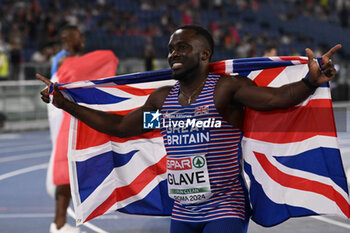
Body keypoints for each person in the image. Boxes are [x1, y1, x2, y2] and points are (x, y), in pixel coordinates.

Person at [37, 24, 340, 233]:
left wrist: (309, 82)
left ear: (205, 54)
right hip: (182, 211)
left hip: (226, 207)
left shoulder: (226, 90)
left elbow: (276, 99)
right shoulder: (163, 103)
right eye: (170, 49)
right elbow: (120, 127)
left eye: (182, 47)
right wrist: (66, 104)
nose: (173, 54)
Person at [47, 25, 85, 233]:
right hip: (64, 115)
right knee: (66, 170)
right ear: (68, 39)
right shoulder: (65, 58)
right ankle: (59, 223)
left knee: (69, 172)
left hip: (67, 112)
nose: (82, 42)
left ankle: (59, 222)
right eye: (78, 37)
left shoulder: (68, 58)